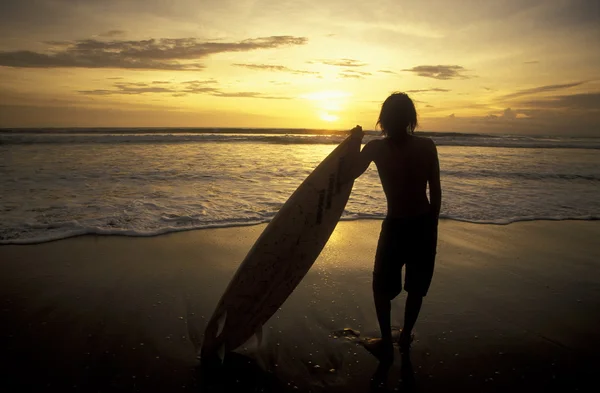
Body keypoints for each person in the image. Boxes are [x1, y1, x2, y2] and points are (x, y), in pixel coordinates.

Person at [341, 92, 441, 362]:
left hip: (396, 226)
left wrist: (354, 143)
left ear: (383, 119)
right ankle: (405, 336)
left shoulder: (376, 148)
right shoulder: (427, 146)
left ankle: (387, 341)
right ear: (411, 119)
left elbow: (349, 172)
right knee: (417, 287)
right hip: (423, 224)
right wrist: (433, 227)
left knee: (380, 286)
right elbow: (436, 192)